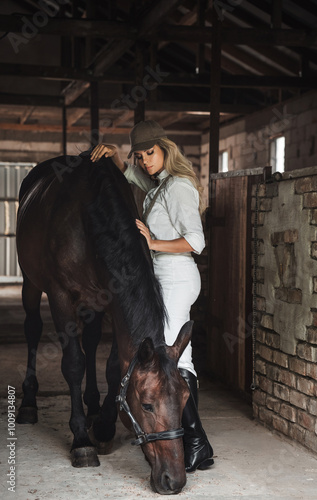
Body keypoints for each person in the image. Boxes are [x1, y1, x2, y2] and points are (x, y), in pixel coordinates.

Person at [90, 120, 214, 473]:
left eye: (151, 153)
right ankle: (195, 443)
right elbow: (138, 179)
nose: (145, 161)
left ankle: (195, 444)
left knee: (175, 361)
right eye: (140, 155)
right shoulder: (161, 185)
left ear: (166, 149)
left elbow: (197, 241)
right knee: (171, 358)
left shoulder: (178, 187)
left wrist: (152, 243)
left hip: (176, 274)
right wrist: (118, 160)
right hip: (164, 276)